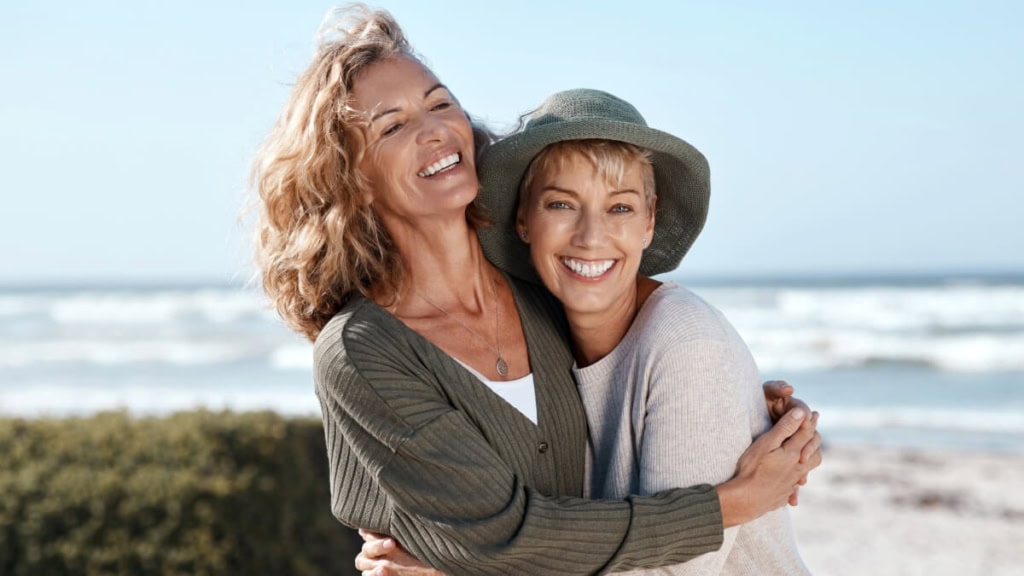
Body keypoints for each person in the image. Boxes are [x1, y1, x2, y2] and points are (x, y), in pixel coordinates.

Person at [252, 6, 820, 575]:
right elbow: (508, 536)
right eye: (392, 126)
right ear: (348, 175)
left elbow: (644, 366)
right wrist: (731, 503)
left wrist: (739, 403)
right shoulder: (363, 351)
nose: (434, 130)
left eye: (440, 102)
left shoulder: (543, 291)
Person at [356, 91, 813, 575]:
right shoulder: (539, 341)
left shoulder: (685, 343)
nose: (591, 237)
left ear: (649, 221)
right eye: (561, 204)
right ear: (524, 220)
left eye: (619, 209)